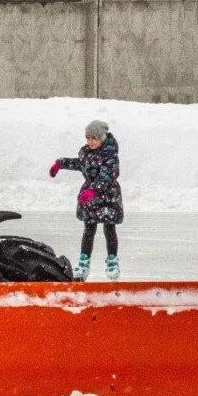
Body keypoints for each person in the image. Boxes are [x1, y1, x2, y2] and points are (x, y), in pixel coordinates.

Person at [49, 120, 122, 280]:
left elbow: (107, 176)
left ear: (102, 138)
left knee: (109, 229)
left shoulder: (110, 155)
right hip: (90, 198)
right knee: (89, 229)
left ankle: (112, 261)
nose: (90, 142)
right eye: (88, 138)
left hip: (108, 197)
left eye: (94, 138)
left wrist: (91, 190)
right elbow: (79, 163)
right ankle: (84, 261)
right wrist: (60, 163)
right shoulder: (86, 152)